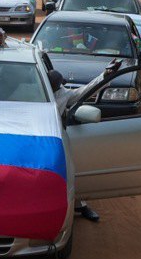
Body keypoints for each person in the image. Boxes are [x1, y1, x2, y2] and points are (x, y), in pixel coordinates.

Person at [48, 59, 123, 223]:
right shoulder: (32, 92)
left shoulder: (63, 94)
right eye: (58, 85)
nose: (60, 88)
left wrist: (105, 75)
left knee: (69, 172)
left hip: (57, 139)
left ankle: (79, 205)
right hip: (35, 136)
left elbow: (87, 90)